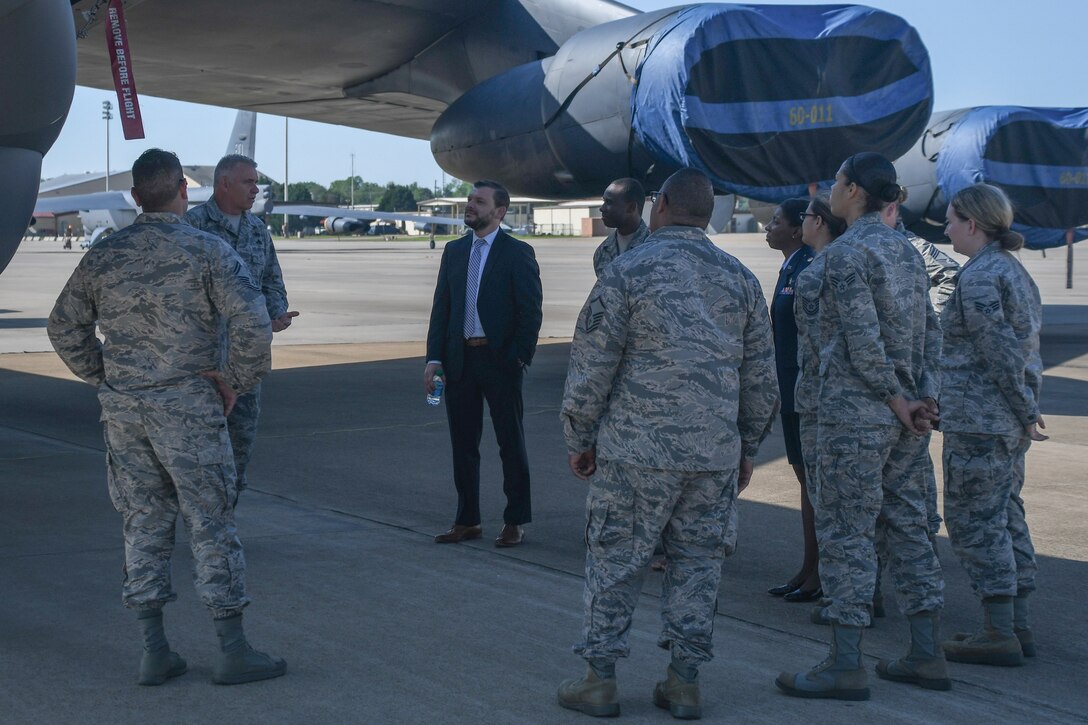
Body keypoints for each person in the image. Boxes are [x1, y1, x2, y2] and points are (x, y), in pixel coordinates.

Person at [47, 148, 286, 686]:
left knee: (144, 522)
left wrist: (104, 376)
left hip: (125, 412)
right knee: (211, 523)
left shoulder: (105, 254)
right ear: (184, 189)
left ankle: (154, 650)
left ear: (135, 196)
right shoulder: (207, 251)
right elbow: (254, 325)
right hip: (188, 410)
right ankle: (231, 649)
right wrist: (235, 381)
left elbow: (62, 326)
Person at [557, 168, 779, 719]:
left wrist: (580, 437)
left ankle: (600, 679)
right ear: (708, 215)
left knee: (615, 562)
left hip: (637, 453)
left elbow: (590, 368)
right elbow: (761, 380)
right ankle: (683, 682)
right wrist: (747, 445)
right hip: (711, 457)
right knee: (699, 567)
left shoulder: (627, 271)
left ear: (660, 208)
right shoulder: (741, 280)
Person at [777, 152, 948, 701]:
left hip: (851, 416)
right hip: (902, 419)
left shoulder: (842, 257)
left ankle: (845, 663)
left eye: (836, 180)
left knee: (847, 535)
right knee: (910, 530)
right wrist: (924, 400)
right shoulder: (907, 253)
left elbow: (860, 338)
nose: (830, 188)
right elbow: (930, 336)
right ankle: (926, 652)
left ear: (852, 192)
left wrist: (898, 399)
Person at [938, 183, 1045, 667]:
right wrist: (1025, 410)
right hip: (1002, 421)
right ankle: (1017, 623)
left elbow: (998, 349)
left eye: (951, 220)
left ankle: (998, 630)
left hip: (981, 420)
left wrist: (1023, 408)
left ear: (972, 224)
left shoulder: (981, 276)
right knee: (1006, 515)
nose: (946, 228)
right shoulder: (1012, 271)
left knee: (975, 521)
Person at [424, 180, 543, 547]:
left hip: (499, 360)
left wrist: (518, 357)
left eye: (479, 201)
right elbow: (441, 309)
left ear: (500, 211)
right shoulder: (454, 251)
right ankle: (467, 520)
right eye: (469, 200)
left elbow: (530, 311)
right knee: (463, 444)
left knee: (510, 442)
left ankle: (515, 520)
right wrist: (434, 359)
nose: (470, 205)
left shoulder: (516, 252)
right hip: (459, 360)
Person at [186, 154, 299, 503]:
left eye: (256, 181)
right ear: (223, 183)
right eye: (248, 182)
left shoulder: (256, 230)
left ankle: (224, 520)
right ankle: (198, 520)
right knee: (195, 449)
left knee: (240, 445)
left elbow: (272, 281)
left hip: (245, 363)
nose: (256, 189)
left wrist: (275, 314)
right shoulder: (191, 227)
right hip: (200, 364)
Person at [764, 197, 820, 603]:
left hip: (805, 392)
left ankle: (818, 572)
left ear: (798, 229)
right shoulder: (791, 265)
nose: (768, 226)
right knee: (805, 482)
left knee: (813, 485)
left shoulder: (808, 267)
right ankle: (808, 567)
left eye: (776, 221)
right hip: (789, 390)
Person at [592, 178, 650, 278]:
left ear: (631, 207)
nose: (602, 208)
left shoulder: (655, 247)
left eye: (609, 202)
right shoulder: (602, 252)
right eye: (604, 201)